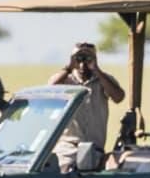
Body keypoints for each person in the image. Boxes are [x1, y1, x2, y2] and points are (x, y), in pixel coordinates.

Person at [49, 41, 125, 171]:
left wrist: (97, 70)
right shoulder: (65, 80)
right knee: (64, 171)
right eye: (78, 58)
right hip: (68, 147)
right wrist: (68, 67)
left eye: (88, 58)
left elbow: (118, 97)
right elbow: (49, 90)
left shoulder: (103, 80)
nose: (82, 64)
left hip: (94, 148)